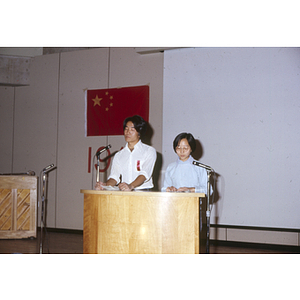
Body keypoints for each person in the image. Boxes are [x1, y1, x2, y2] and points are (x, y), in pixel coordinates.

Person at [95, 115, 157, 191]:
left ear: (139, 132)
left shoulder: (149, 151)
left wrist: (131, 186)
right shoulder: (119, 155)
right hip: (125, 192)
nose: (128, 132)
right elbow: (114, 176)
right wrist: (105, 186)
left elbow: (144, 174)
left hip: (143, 192)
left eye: (132, 130)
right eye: (126, 129)